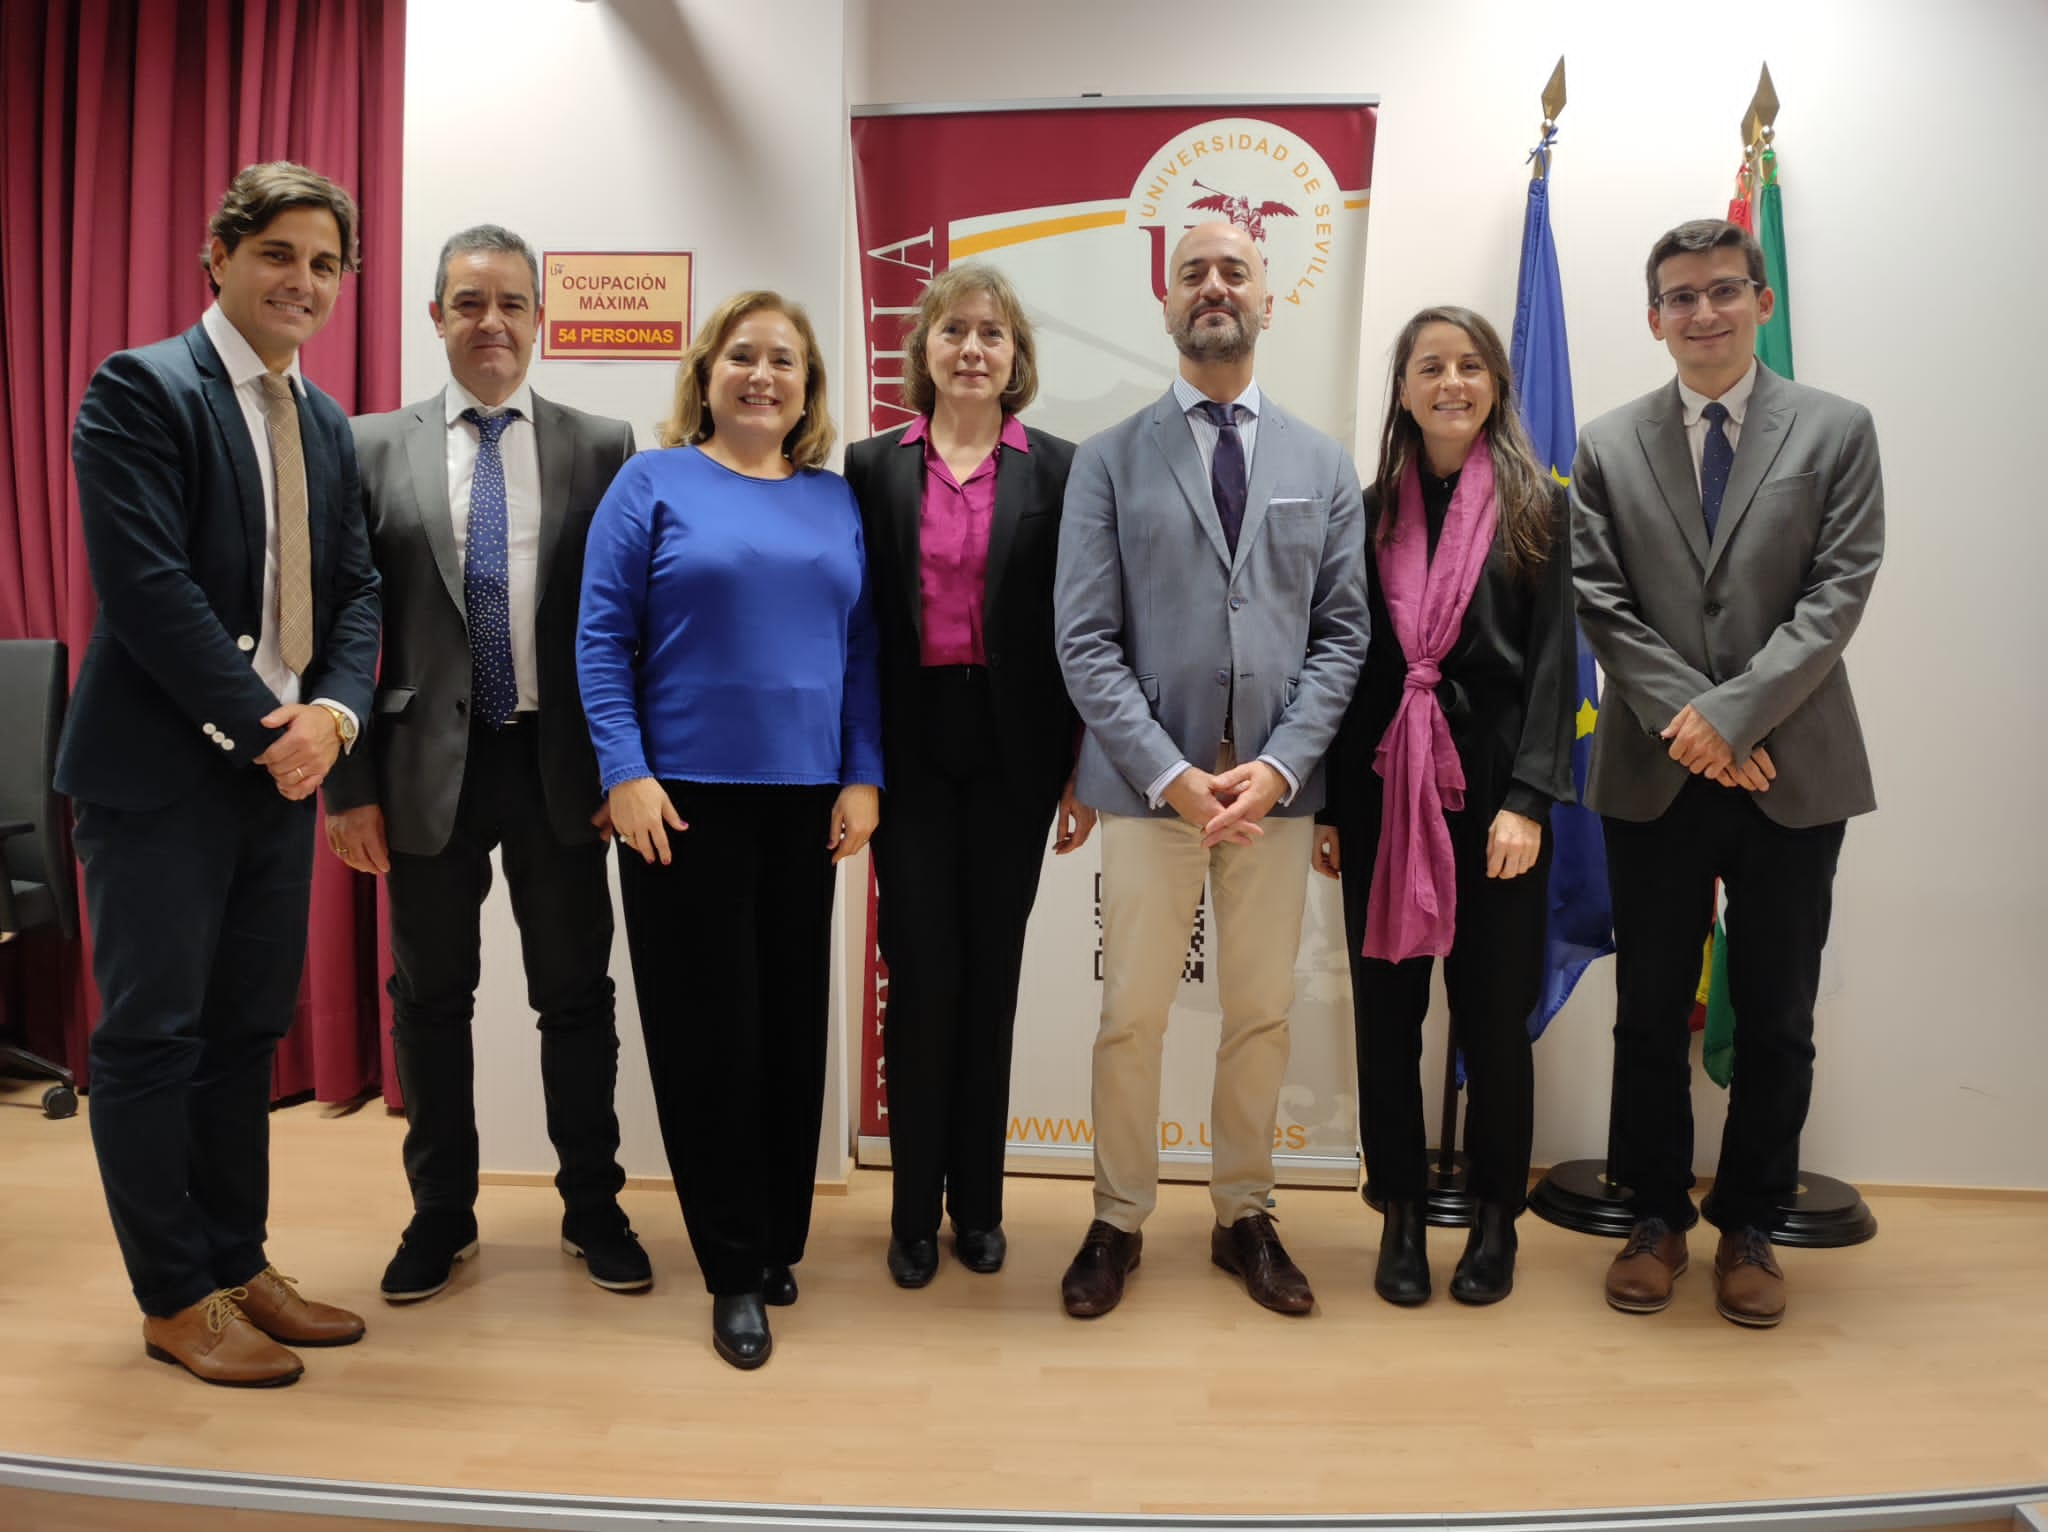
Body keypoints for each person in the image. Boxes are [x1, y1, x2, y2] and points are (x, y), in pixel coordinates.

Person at [58, 162, 381, 1387]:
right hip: (160, 775)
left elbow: (353, 590)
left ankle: (237, 1260)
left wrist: (335, 720)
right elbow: (150, 593)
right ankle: (173, 1293)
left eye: (323, 264)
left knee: (245, 1032)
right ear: (220, 254)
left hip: (279, 775)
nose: (302, 282)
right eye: (279, 255)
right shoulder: (141, 388)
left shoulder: (324, 420)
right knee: (152, 1036)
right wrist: (269, 726)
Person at [324, 225, 646, 1303]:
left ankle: (592, 1205)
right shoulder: (371, 445)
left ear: (539, 319)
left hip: (558, 765)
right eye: (469, 302)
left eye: (512, 302)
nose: (491, 322)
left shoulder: (604, 444)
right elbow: (341, 624)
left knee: (575, 997)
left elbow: (628, 625)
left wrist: (621, 766)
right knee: (430, 1001)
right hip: (422, 770)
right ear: (435, 318)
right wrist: (348, 786)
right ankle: (440, 1215)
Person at [1572, 218, 1884, 1328]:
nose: (1699, 312)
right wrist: (1690, 720)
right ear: (1651, 316)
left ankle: (1749, 1221)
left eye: (1719, 291)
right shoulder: (1606, 444)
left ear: (1757, 299)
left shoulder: (1835, 429)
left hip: (1790, 768)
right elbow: (1599, 599)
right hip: (1653, 771)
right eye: (1677, 296)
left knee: (1777, 1014)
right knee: (1647, 1011)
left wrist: (1734, 714)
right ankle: (1653, 1215)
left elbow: (1838, 589)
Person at [1053, 220, 1368, 1319]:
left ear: (1267, 298)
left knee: (1259, 1012)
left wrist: (1279, 769)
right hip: (1151, 794)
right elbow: (1083, 639)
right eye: (1192, 272)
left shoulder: (1322, 465)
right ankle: (1116, 1216)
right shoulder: (1105, 459)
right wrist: (1171, 773)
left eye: (1234, 269)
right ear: (1167, 301)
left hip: (1274, 800)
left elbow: (1341, 636)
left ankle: (1243, 1210)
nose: (1214, 286)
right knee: (1129, 1012)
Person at [577, 291, 883, 1369]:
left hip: (806, 802)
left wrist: (863, 776)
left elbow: (859, 652)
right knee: (710, 1037)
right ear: (705, 374)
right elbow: (600, 636)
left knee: (790, 1026)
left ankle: (775, 1231)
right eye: (742, 356)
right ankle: (731, 1265)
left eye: (783, 361)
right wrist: (623, 771)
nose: (762, 375)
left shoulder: (834, 499)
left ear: (806, 387)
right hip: (680, 803)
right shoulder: (649, 482)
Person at [1312, 307, 1574, 1308]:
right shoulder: (1368, 513)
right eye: (1430, 366)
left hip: (1494, 803)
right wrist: (1334, 804)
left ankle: (1497, 1214)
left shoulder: (1539, 511)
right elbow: (1344, 665)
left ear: (1495, 383)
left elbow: (1557, 670)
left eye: (1469, 365)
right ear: (1404, 388)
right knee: (1386, 1017)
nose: (1450, 381)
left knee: (1490, 1018)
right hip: (1383, 796)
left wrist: (1527, 801)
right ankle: (1403, 1212)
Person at [843, 263, 1091, 1289]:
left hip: (1014, 752)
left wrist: (1081, 768)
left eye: (991, 332)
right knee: (918, 974)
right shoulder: (868, 466)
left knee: (989, 978)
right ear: (926, 351)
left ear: (1015, 354)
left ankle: (977, 1207)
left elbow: (1083, 628)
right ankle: (910, 1210)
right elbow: (853, 627)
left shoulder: (1061, 469)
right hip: (906, 749)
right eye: (953, 332)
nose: (972, 349)